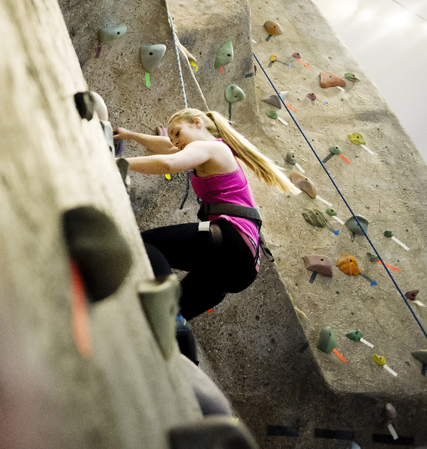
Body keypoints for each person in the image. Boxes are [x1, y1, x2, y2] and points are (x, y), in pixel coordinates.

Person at [114, 108, 296, 319]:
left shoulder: (212, 148)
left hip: (231, 241)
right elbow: (167, 148)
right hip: (243, 268)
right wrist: (132, 135)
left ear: (197, 122)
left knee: (142, 246)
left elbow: (168, 163)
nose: (175, 142)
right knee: (168, 318)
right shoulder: (214, 151)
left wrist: (118, 163)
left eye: (178, 133)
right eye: (172, 137)